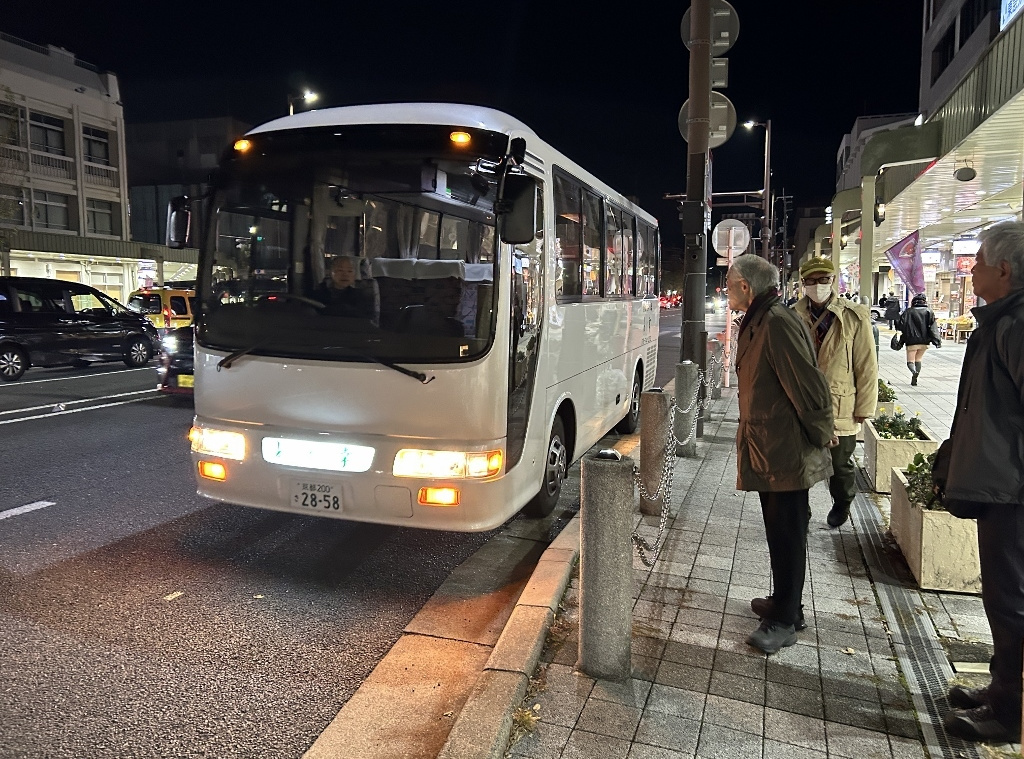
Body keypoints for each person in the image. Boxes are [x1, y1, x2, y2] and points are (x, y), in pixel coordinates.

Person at [934, 221, 1024, 743]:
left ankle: (1012, 714)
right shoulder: (1000, 321)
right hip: (1000, 486)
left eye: (980, 262)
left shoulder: (1017, 325)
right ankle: (1001, 688)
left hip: (1014, 492)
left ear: (1004, 270)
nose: (972, 270)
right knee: (1001, 599)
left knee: (1013, 602)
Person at [726, 255, 836, 655]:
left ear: (745, 286)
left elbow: (807, 383)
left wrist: (823, 432)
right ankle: (785, 603)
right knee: (779, 530)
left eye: (729, 282)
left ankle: (785, 621)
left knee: (788, 532)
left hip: (786, 449)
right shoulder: (761, 318)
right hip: (770, 445)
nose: (725, 289)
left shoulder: (775, 322)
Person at [794, 258, 878, 528]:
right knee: (801, 463)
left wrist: (865, 407)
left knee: (840, 465)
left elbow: (866, 365)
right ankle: (801, 511)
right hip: (803, 404)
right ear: (803, 283)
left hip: (841, 403)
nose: (817, 285)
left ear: (832, 281)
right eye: (811, 280)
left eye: (823, 279)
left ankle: (843, 501)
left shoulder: (854, 316)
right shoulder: (793, 315)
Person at [896, 292, 941, 385]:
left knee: (910, 360)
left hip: (911, 340)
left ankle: (914, 372)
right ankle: (915, 377)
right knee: (918, 359)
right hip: (924, 340)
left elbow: (901, 325)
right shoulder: (929, 311)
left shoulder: (908, 311)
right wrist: (937, 340)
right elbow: (933, 327)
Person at [317, 256, 379, 322]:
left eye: (350, 271)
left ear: (354, 275)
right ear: (331, 272)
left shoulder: (360, 296)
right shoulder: (319, 293)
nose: (345, 275)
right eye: (340, 270)